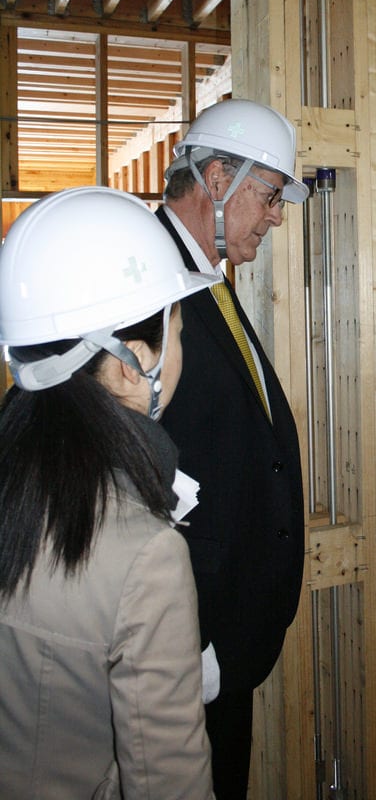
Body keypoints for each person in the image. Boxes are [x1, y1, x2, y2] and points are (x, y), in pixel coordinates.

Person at [0, 186, 220, 799]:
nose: (182, 350)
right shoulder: (142, 554)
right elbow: (168, 783)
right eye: (176, 331)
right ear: (133, 361)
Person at [157, 97, 308, 798]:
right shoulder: (143, 282)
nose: (277, 216)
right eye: (270, 196)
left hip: (221, 640)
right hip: (186, 643)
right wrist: (185, 651)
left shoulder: (202, 278)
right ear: (217, 177)